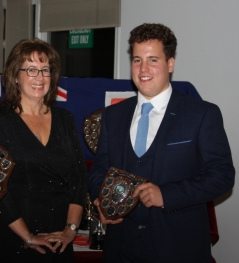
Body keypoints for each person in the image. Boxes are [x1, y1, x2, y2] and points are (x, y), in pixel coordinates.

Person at [88, 23, 235, 263]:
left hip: (178, 248)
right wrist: (102, 201)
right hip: (121, 248)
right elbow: (99, 171)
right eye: (137, 60)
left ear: (170, 63)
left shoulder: (201, 113)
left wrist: (166, 195)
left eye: (152, 59)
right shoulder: (113, 116)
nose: (143, 69)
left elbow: (222, 175)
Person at [0, 38, 88, 262]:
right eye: (31, 69)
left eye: (45, 70)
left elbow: (78, 178)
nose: (39, 78)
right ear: (15, 76)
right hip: (16, 238)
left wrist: (70, 229)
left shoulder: (65, 119)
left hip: (60, 240)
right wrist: (28, 237)